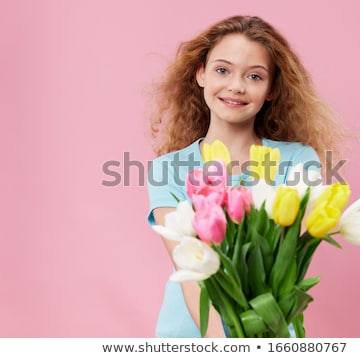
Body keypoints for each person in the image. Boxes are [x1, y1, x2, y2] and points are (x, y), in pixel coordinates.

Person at [146, 15, 346, 338]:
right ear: (201, 74)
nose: (236, 86)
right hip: (192, 336)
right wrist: (220, 344)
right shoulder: (166, 169)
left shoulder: (298, 160)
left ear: (271, 89)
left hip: (270, 335)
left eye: (255, 76)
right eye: (222, 70)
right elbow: (190, 267)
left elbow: (284, 253)